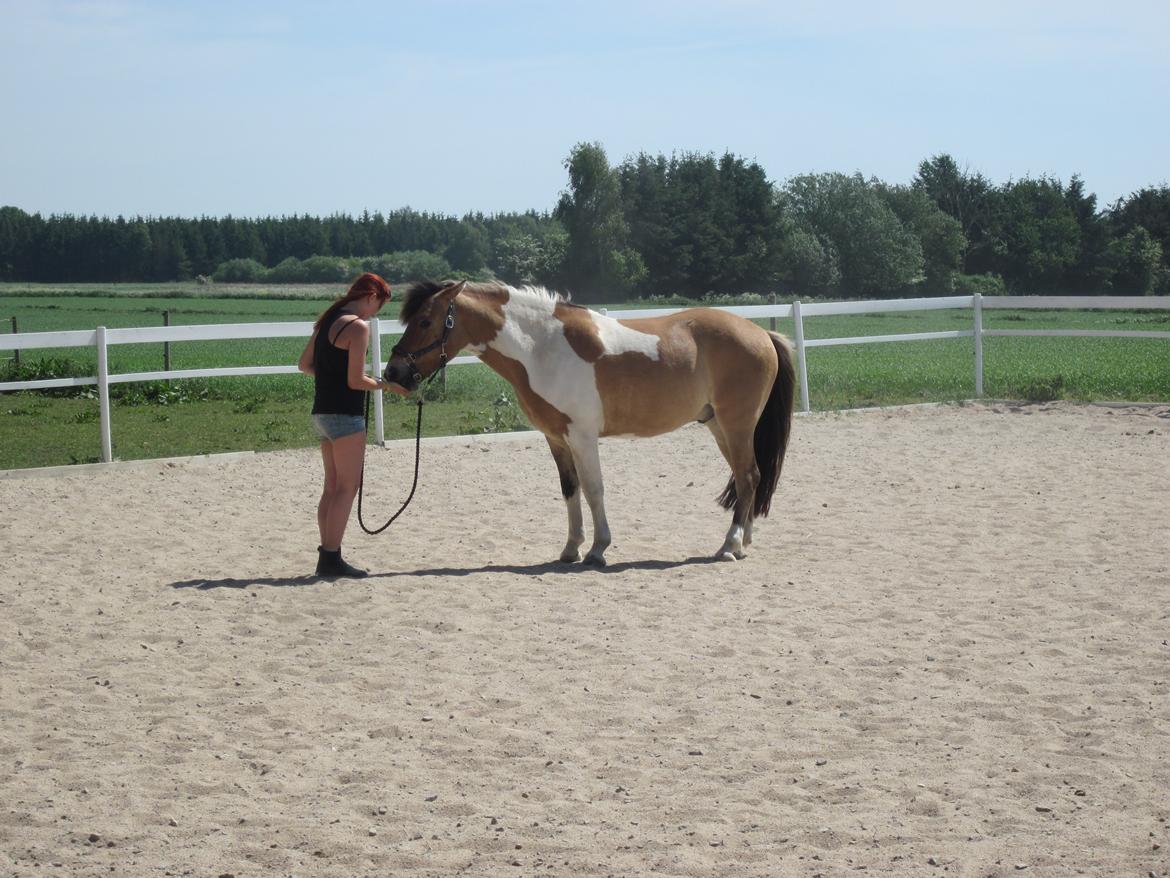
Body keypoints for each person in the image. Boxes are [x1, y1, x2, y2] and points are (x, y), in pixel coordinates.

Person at [298, 272, 408, 578]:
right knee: (347, 487)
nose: (374, 313)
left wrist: (331, 379)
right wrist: (386, 386)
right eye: (378, 307)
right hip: (345, 415)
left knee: (331, 487)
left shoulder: (327, 322)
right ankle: (331, 557)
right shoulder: (357, 328)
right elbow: (355, 380)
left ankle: (327, 552)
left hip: (321, 412)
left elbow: (304, 365)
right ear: (372, 297)